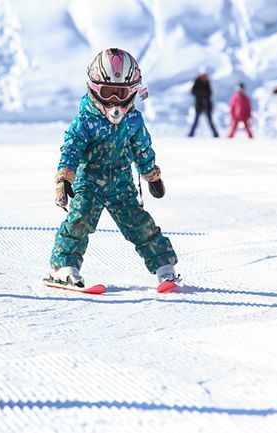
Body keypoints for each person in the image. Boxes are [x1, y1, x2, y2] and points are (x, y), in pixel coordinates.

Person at [48, 48, 178, 288]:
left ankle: (164, 265)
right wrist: (65, 178)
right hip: (88, 183)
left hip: (121, 183)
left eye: (122, 93)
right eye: (108, 93)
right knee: (79, 221)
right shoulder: (86, 121)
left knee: (140, 224)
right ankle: (64, 266)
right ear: (95, 90)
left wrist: (152, 176)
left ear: (133, 92)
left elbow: (142, 149)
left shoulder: (132, 120)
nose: (116, 101)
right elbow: (71, 149)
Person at [188, 67, 219, 138]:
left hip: (207, 105)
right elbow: (193, 92)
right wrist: (202, 94)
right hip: (199, 105)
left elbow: (210, 93)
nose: (205, 77)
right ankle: (191, 134)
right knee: (196, 121)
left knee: (210, 121)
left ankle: (215, 134)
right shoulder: (197, 82)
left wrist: (205, 94)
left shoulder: (207, 82)